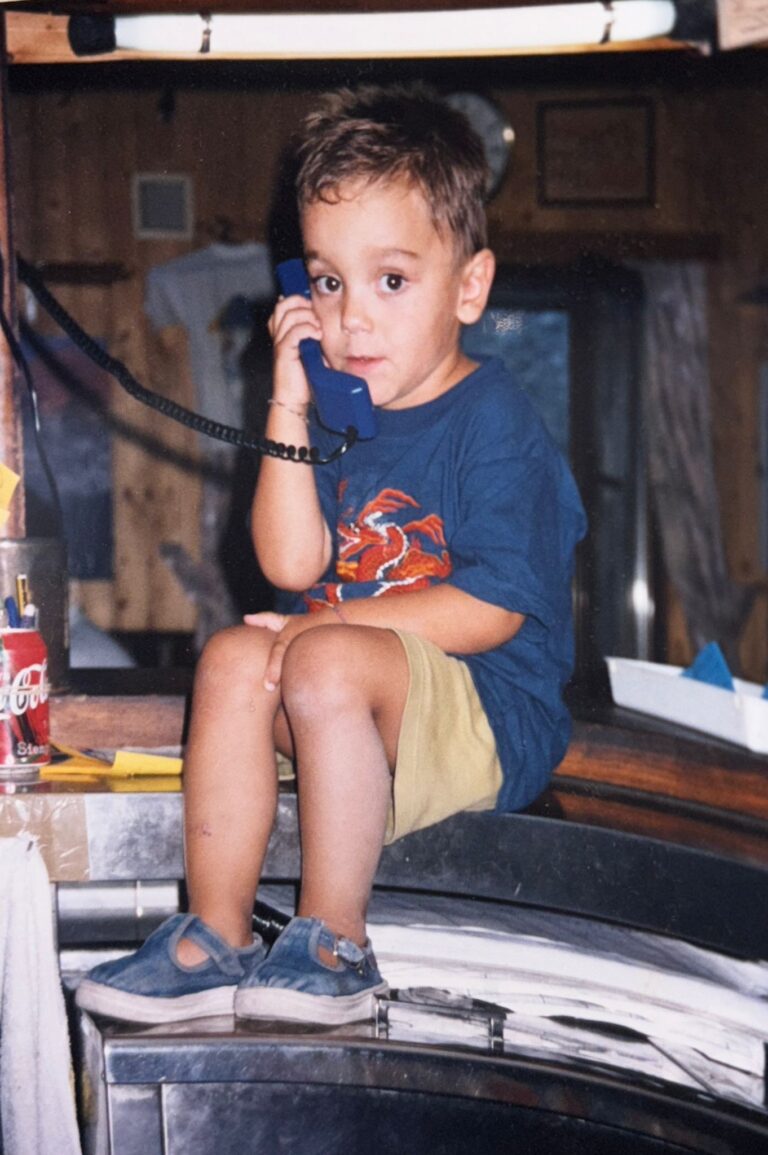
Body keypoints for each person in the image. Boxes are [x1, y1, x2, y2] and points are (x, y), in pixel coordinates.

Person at [76, 84, 586, 1028]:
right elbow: (290, 564)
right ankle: (215, 935)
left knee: (317, 652)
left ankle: (335, 943)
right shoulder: (342, 415)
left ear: (469, 287)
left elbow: (494, 608)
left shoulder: (492, 417)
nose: (352, 319)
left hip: (484, 712)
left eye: (391, 281)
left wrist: (336, 623)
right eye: (326, 281)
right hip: (353, 693)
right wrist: (289, 405)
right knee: (232, 654)